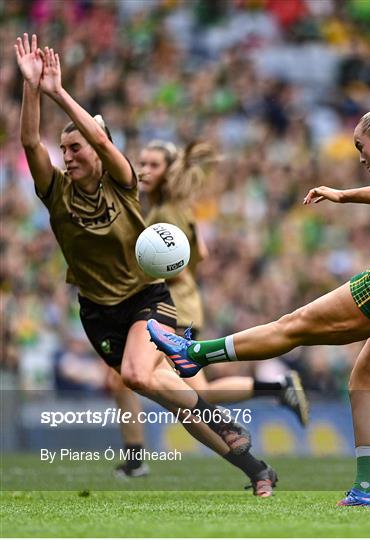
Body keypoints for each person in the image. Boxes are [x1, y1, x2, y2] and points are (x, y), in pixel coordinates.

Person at [148, 103, 370, 506]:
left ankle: (195, 353)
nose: (360, 157)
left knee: (294, 324)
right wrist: (343, 196)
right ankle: (367, 489)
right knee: (365, 382)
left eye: (361, 147)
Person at [15, 33, 278, 496]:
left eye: (76, 148)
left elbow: (96, 132)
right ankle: (255, 468)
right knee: (164, 390)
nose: (68, 155)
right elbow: (30, 141)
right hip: (98, 314)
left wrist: (59, 91)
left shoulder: (123, 184)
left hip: (146, 301)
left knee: (137, 376)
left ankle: (224, 423)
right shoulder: (54, 192)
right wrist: (31, 88)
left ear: (100, 151)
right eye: (65, 149)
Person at [112, 139, 309, 477]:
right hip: (182, 303)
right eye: (141, 162)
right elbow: (199, 252)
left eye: (153, 164)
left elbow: (181, 262)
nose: (143, 169)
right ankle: (276, 390)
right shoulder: (171, 208)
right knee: (186, 389)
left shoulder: (164, 212)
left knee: (171, 388)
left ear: (169, 172)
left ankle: (138, 458)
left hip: (174, 307)